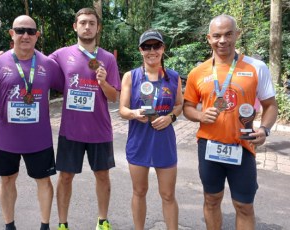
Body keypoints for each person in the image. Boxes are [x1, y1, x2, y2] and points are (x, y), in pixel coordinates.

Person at [183, 14, 278, 230]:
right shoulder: (198, 72)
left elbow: (270, 105)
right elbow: (188, 107)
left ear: (237, 34)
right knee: (211, 199)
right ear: (209, 38)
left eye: (228, 34)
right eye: (217, 36)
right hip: (209, 146)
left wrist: (265, 129)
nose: (222, 40)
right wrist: (200, 115)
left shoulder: (256, 67)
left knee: (244, 206)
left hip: (242, 145)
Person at [0, 15, 64, 230]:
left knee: (44, 181)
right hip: (5, 139)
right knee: (6, 181)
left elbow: (70, 86)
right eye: (20, 30)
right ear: (11, 34)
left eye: (30, 31)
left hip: (38, 140)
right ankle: (9, 226)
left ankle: (44, 226)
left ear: (37, 36)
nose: (25, 35)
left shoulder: (48, 65)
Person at [48, 8, 121, 230]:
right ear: (75, 26)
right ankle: (62, 223)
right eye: (83, 23)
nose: (87, 26)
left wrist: (103, 82)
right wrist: (3, 57)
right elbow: (33, 63)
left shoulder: (107, 58)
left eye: (91, 23)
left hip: (99, 129)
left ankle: (102, 220)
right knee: (66, 177)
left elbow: (114, 96)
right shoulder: (61, 54)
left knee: (102, 176)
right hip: (71, 130)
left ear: (98, 27)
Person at [119, 29, 183, 230]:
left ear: (163, 48)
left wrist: (170, 117)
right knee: (139, 191)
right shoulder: (131, 76)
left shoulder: (173, 77)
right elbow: (122, 109)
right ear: (141, 50)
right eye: (147, 47)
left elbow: (179, 105)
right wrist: (134, 114)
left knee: (168, 194)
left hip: (164, 143)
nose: (152, 51)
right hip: (139, 142)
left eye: (156, 46)